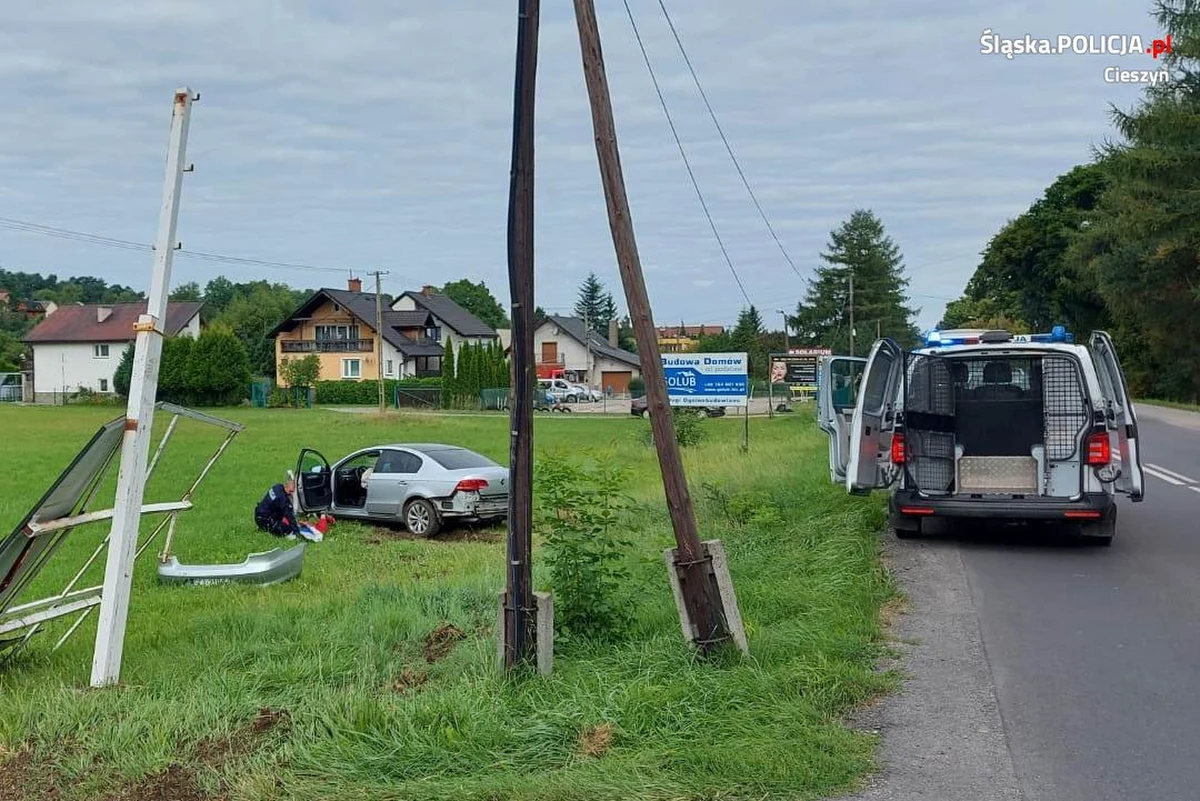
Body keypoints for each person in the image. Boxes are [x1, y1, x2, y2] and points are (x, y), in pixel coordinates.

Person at [254, 480, 334, 541]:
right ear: (286, 487)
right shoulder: (283, 500)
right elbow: (290, 516)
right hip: (265, 519)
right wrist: (296, 531)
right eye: (291, 491)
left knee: (282, 518)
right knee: (287, 530)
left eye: (293, 492)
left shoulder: (277, 487)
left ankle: (264, 526)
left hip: (258, 515)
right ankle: (266, 526)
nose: (291, 494)